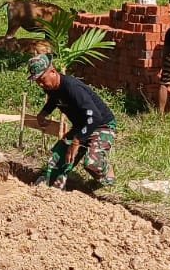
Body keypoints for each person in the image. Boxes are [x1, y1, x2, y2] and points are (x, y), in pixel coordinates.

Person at [29, 54, 117, 189]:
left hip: (101, 126)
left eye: (42, 79)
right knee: (58, 157)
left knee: (92, 163)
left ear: (53, 72)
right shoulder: (51, 87)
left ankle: (108, 175)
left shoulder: (72, 87)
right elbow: (54, 100)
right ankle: (53, 183)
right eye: (37, 81)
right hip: (81, 126)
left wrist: (77, 141)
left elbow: (94, 117)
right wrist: (43, 113)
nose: (40, 84)